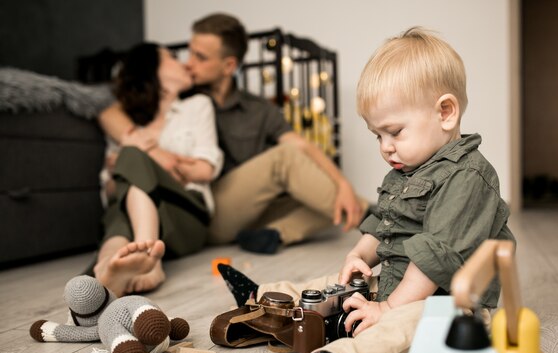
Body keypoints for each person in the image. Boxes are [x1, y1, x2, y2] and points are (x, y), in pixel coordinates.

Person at [217, 26, 515, 353]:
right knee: (333, 286)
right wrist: (359, 254)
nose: (386, 147)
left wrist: (387, 310)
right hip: (398, 282)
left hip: (447, 300)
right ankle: (265, 298)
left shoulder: (468, 176)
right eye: (378, 136)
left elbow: (435, 259)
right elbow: (384, 225)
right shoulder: (406, 168)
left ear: (446, 113)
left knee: (402, 330)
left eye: (395, 131)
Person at [99, 13, 367, 255]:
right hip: (206, 207)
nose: (188, 64)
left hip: (252, 207)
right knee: (286, 160)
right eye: (189, 53)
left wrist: (343, 185)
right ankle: (380, 220)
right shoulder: (181, 98)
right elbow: (109, 113)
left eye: (200, 57)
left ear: (228, 66)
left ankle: (275, 234)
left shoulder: (258, 110)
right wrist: (151, 151)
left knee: (331, 198)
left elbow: (303, 146)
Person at [94, 43, 223, 297]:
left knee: (131, 156)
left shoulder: (197, 106)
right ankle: (109, 267)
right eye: (173, 57)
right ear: (151, 70)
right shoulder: (127, 121)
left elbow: (204, 170)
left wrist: (140, 159)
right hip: (135, 210)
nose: (185, 63)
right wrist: (155, 164)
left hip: (185, 216)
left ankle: (147, 256)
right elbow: (110, 189)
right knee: (126, 191)